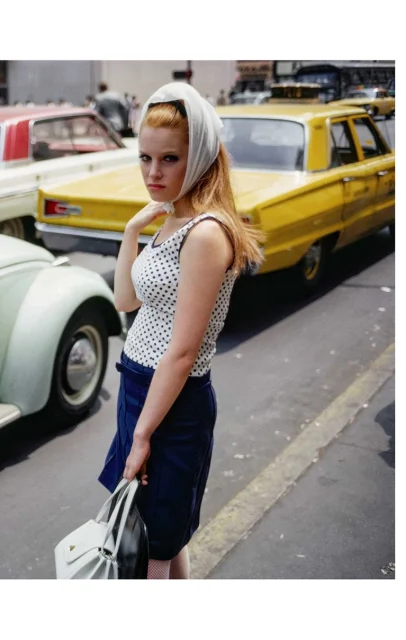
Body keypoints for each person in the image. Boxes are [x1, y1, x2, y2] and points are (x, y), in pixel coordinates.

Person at [98, 82, 264, 580]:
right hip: (139, 386)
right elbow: (126, 301)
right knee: (157, 536)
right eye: (145, 158)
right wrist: (132, 231)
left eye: (169, 159)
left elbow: (184, 350)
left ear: (200, 159)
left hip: (171, 400)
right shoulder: (173, 218)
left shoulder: (206, 233)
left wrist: (145, 433)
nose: (153, 172)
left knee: (152, 542)